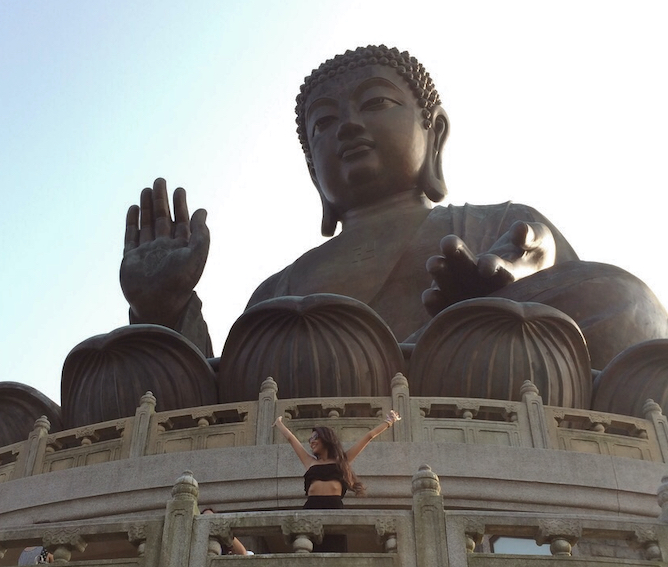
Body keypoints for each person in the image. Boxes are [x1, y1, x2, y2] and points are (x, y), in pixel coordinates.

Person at [119, 45, 668, 371]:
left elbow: (535, 249)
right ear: (315, 171)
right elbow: (219, 397)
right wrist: (164, 309)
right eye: (325, 122)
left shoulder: (485, 221)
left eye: (376, 103)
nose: (350, 125)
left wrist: (500, 289)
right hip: (318, 423)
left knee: (622, 298)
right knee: (130, 364)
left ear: (435, 135)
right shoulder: (280, 287)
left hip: (477, 373)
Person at [274, 411, 400, 509]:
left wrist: (389, 421)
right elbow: (291, 438)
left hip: (334, 506)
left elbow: (368, 436)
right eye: (310, 440)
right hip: (311, 507)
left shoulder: (342, 460)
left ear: (326, 438)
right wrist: (279, 423)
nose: (312, 442)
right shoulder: (310, 461)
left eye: (315, 438)